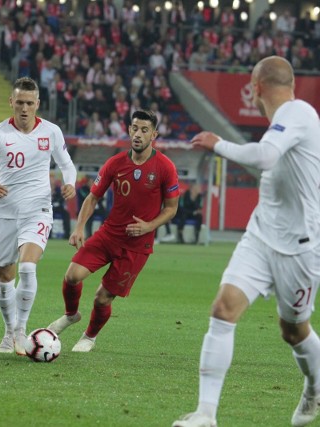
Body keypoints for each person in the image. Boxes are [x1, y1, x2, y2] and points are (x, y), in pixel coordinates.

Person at [172, 58, 320, 426]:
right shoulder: (286, 120)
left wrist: (218, 143)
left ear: (255, 88)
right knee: (223, 309)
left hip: (299, 247)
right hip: (260, 236)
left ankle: (316, 386)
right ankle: (206, 414)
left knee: (294, 330)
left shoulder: (299, 113)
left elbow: (265, 156)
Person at [47, 109, 180, 352]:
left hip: (137, 246)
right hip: (109, 234)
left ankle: (89, 336)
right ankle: (70, 315)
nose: (138, 134)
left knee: (102, 297)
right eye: (135, 128)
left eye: (144, 130)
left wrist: (149, 226)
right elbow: (92, 198)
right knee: (72, 276)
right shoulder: (115, 163)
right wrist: (79, 228)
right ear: (129, 130)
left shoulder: (165, 167)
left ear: (154, 134)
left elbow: (172, 208)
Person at [0, 77, 77, 355]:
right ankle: (9, 330)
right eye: (20, 103)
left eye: (30, 103)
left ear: (37, 104)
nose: (25, 108)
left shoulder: (51, 132)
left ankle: (20, 330)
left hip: (37, 210)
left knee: (28, 268)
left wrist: (70, 183)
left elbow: (67, 165)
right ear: (11, 102)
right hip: (4, 214)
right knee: (4, 275)